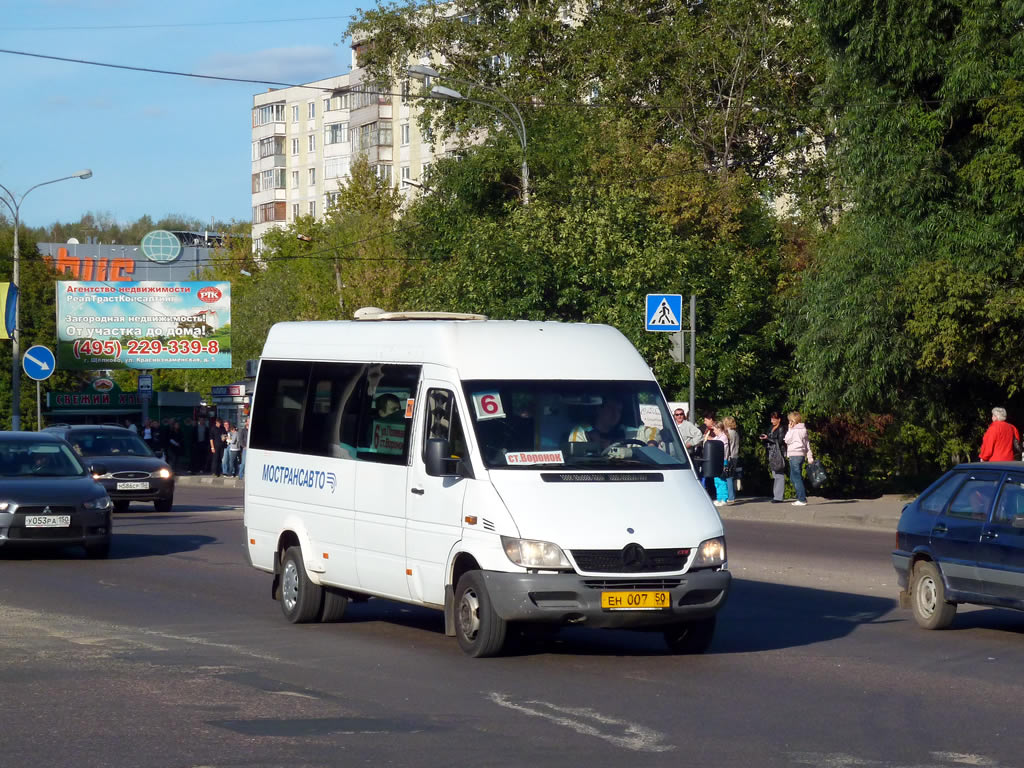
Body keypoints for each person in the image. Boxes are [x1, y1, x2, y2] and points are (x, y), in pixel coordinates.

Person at [783, 411, 814, 506]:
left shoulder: (794, 431)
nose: (789, 422)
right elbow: (807, 444)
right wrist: (809, 457)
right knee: (794, 477)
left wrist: (789, 429)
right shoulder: (803, 430)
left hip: (794, 455)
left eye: (790, 421)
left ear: (793, 421)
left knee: (796, 478)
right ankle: (801, 497)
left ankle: (802, 499)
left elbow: (787, 440)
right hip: (801, 455)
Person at [759, 411, 788, 503]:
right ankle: (776, 495)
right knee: (775, 473)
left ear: (779, 419)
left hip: (779, 452)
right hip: (771, 452)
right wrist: (764, 439)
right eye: (771, 419)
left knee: (779, 473)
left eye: (774, 419)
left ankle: (778, 496)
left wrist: (768, 438)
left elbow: (779, 441)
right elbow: (769, 439)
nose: (772, 421)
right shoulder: (771, 427)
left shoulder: (781, 428)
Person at [705, 421, 730, 506]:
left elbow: (718, 443)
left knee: (722, 480)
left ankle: (724, 498)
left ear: (719, 429)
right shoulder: (717, 437)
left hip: (722, 461)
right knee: (717, 481)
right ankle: (719, 498)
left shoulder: (723, 437)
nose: (714, 431)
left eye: (715, 429)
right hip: (717, 460)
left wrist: (710, 439)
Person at [723, 416, 740, 504]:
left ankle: (731, 497)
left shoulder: (728, 433)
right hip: (735, 456)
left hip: (729, 456)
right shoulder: (735, 432)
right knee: (731, 476)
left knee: (728, 476)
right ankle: (732, 494)